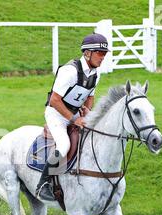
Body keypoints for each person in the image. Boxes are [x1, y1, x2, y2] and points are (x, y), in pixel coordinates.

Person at [35, 33, 109, 201]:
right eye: (99, 52)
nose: (103, 56)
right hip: (56, 114)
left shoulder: (95, 73)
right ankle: (42, 185)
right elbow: (54, 100)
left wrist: (87, 110)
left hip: (73, 113)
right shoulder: (69, 71)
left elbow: (90, 96)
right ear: (87, 53)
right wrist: (75, 119)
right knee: (63, 145)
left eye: (104, 53)